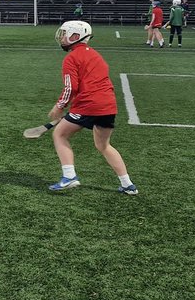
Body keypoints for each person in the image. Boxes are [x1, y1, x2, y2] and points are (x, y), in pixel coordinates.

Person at [46, 20, 138, 196]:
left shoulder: (71, 58)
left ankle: (69, 176)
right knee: (103, 145)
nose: (61, 38)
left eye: (64, 34)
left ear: (75, 36)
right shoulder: (95, 54)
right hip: (108, 105)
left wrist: (59, 106)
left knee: (60, 134)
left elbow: (70, 87)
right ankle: (128, 185)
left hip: (88, 105)